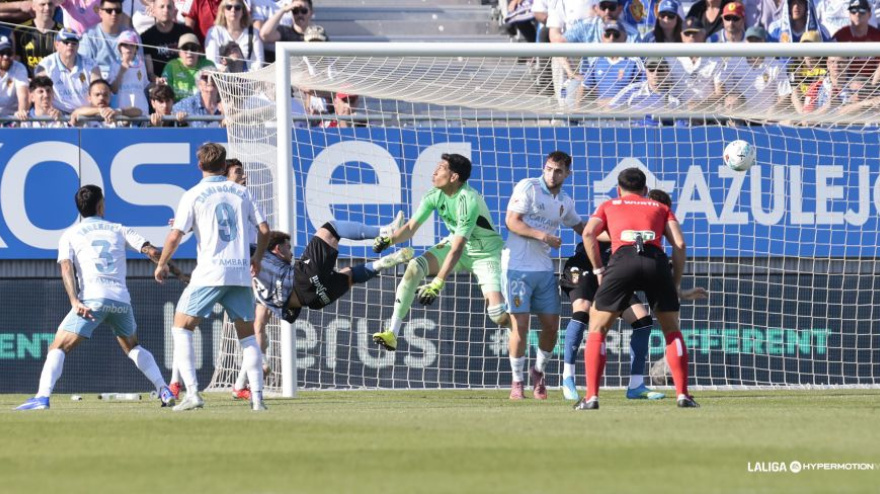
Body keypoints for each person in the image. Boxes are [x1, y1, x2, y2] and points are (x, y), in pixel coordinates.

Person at [14, 185, 184, 411]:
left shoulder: (70, 234)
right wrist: (177, 272)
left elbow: (66, 268)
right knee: (133, 346)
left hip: (92, 300)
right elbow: (153, 252)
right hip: (121, 300)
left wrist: (74, 301)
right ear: (101, 205)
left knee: (58, 346)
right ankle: (163, 388)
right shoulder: (118, 229)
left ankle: (42, 397)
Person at [155, 142, 271, 411]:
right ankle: (257, 399)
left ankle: (193, 393)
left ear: (200, 165)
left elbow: (175, 235)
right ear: (224, 164)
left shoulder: (193, 194)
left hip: (210, 272)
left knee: (181, 327)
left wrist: (162, 264)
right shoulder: (242, 192)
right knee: (248, 338)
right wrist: (256, 258)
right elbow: (265, 230)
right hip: (240, 272)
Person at [235, 226, 414, 398]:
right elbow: (247, 244)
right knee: (331, 228)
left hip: (314, 300)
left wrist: (263, 360)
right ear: (277, 249)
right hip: (303, 281)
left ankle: (381, 263)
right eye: (288, 247)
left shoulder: (261, 292)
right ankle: (386, 231)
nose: (291, 252)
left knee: (350, 275)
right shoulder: (262, 254)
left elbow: (259, 325)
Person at [574, 167, 698, 410]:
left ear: (618, 189)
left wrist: (598, 270)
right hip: (656, 261)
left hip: (623, 261)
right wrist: (675, 283)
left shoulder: (609, 205)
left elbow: (588, 233)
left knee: (598, 328)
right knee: (672, 330)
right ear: (645, 189)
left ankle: (591, 398)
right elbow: (680, 244)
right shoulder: (660, 207)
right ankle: (683, 395)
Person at [371, 154, 511, 352]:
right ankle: (392, 333)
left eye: (441, 168)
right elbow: (410, 227)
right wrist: (390, 240)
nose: (435, 172)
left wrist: (437, 283)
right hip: (456, 244)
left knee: (498, 315)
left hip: (485, 254)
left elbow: (457, 248)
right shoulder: (434, 194)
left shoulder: (468, 200)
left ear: (454, 177)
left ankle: (518, 328)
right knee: (415, 266)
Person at [502, 151, 584, 400]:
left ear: (567, 174)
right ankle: (517, 381)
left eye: (558, 171)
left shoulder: (565, 201)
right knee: (521, 326)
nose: (552, 174)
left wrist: (610, 237)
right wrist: (544, 236)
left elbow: (581, 227)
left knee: (551, 327)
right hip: (516, 268)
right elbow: (511, 221)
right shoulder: (529, 187)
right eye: (549, 169)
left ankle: (538, 372)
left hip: (544, 270)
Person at [35, 29, 103, 114]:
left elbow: (99, 91)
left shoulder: (91, 65)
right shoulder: (46, 66)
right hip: (57, 114)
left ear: (78, 45)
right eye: (66, 42)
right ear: (56, 45)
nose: (70, 45)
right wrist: (51, 111)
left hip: (86, 114)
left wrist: (90, 111)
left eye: (74, 43)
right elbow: (40, 95)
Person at [79, 0, 145, 79]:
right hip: (98, 81)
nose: (114, 14)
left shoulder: (132, 36)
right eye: (109, 11)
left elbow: (140, 67)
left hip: (127, 79)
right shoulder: (88, 36)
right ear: (100, 13)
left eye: (118, 11)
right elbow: (83, 67)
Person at [141, 0, 197, 81]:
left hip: (187, 81)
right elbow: (150, 73)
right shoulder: (146, 37)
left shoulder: (186, 32)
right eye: (161, 7)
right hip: (161, 84)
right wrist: (159, 80)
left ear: (174, 10)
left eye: (169, 7)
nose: (166, 10)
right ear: (153, 11)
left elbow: (196, 61)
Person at [204, 0, 264, 71]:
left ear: (243, 11)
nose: (233, 10)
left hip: (249, 75)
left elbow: (258, 62)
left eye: (237, 7)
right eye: (228, 7)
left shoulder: (253, 32)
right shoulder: (214, 32)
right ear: (223, 11)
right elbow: (211, 61)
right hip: (220, 75)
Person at [12, 0, 64, 77]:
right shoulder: (20, 31)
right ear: (33, 7)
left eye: (50, 4)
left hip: (54, 81)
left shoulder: (62, 32)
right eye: (42, 4)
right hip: (28, 81)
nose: (47, 8)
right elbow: (16, 62)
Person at [162, 32, 216, 101]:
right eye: (185, 48)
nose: (189, 52)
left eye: (193, 48)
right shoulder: (171, 66)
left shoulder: (208, 65)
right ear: (179, 52)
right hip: (177, 106)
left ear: (199, 51)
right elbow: (165, 91)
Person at [108, 30, 150, 115]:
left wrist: (157, 83)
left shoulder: (141, 65)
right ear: (120, 48)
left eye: (132, 45)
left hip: (141, 110)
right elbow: (113, 90)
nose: (128, 48)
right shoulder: (114, 65)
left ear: (136, 48)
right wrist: (121, 71)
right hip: (122, 111)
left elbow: (145, 85)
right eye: (125, 45)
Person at [0, 36, 28, 119]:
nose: (5, 57)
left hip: (12, 117)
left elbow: (23, 94)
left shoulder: (19, 68)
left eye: (8, 53)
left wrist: (21, 111)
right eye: (2, 53)